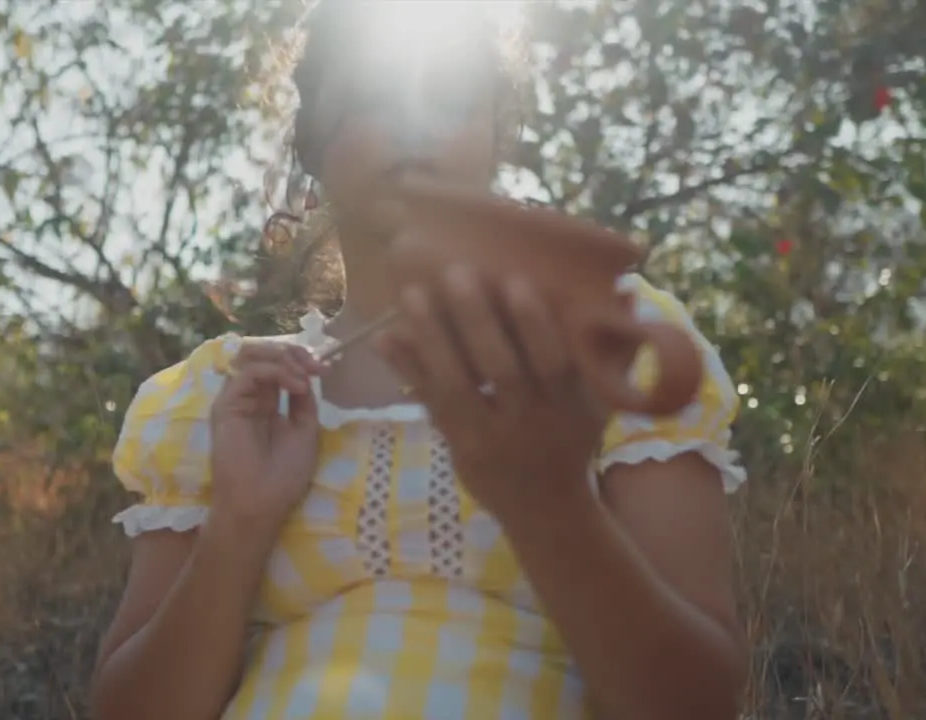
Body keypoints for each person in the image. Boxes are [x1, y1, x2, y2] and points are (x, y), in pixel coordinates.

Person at [90, 2, 748, 719]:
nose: (412, 124)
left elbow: (698, 703)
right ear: (312, 142)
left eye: (451, 96)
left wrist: (547, 501)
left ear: (497, 127)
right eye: (371, 97)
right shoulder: (225, 399)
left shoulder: (604, 338)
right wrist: (240, 522)